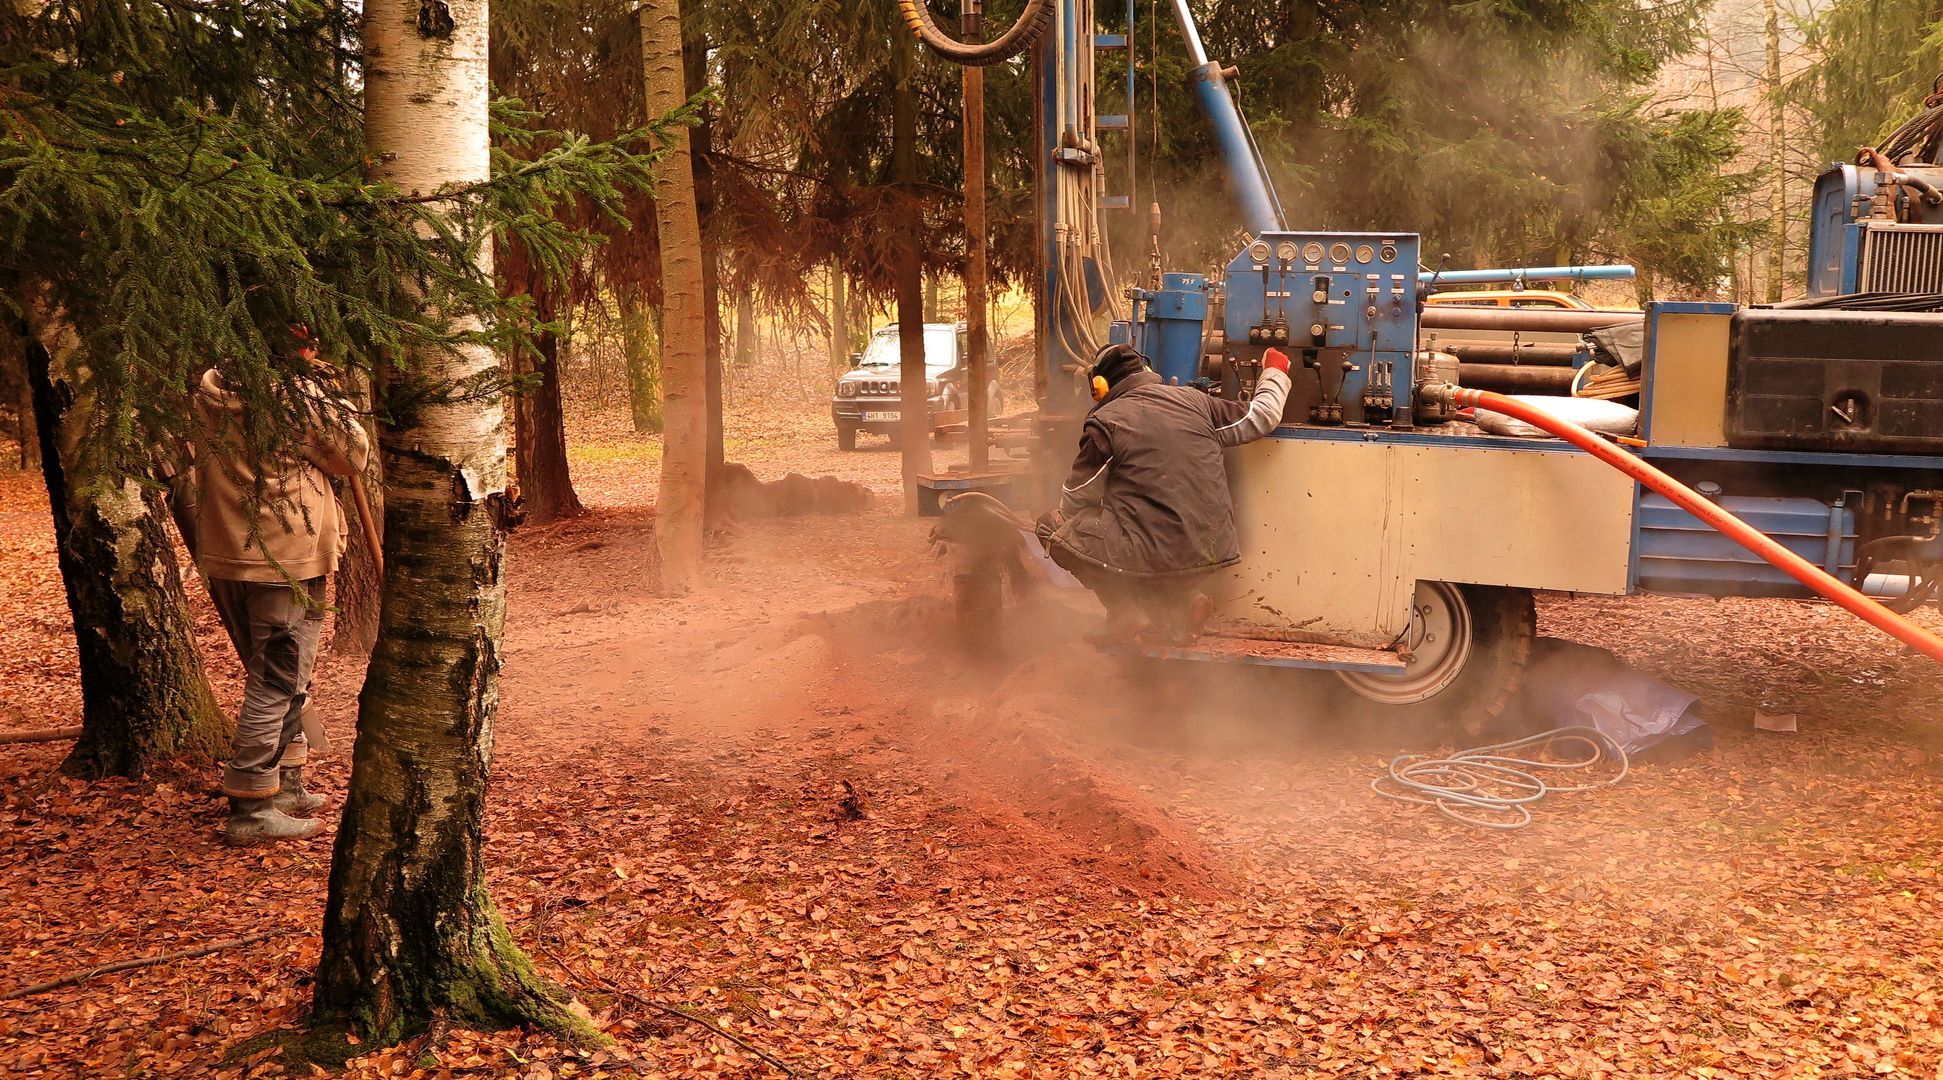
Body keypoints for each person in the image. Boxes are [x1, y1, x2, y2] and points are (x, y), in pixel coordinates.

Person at [188, 326, 370, 845]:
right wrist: (325, 392)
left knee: (290, 672)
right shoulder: (297, 398)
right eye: (307, 338)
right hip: (286, 556)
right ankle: (251, 805)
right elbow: (351, 456)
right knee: (277, 679)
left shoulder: (210, 387)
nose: (316, 345)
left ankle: (285, 780)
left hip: (240, 549)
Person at [1036, 342, 1291, 644]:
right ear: (1147, 371)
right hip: (1212, 549)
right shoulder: (1199, 403)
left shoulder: (1106, 422)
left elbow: (1077, 497)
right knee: (1150, 543)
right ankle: (1184, 603)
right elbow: (1263, 416)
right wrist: (1274, 370)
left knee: (1052, 526)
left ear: (1100, 386)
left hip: (1152, 554)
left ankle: (1123, 611)